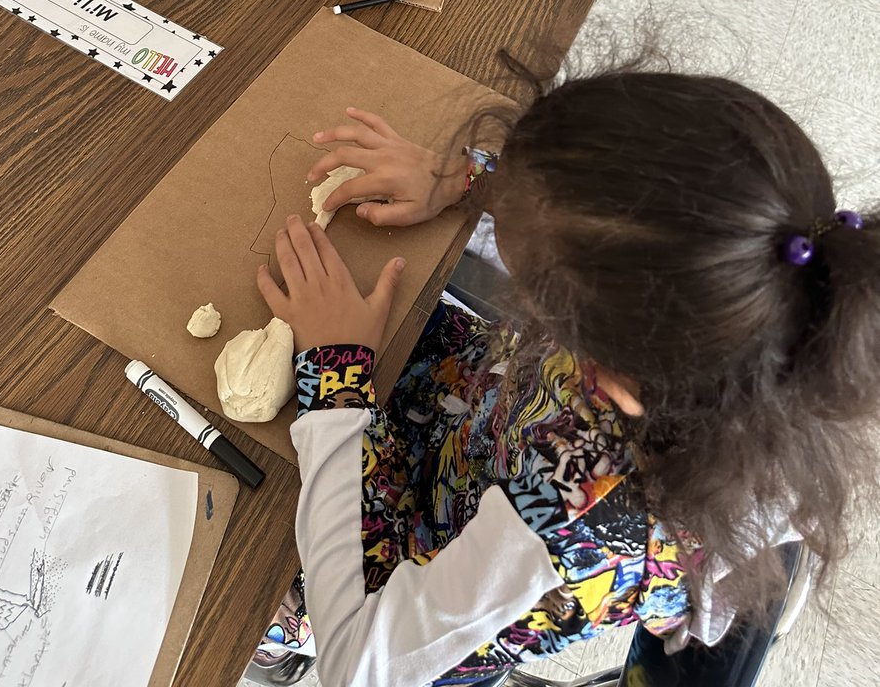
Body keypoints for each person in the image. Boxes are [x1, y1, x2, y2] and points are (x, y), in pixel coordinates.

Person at [250, 67, 880, 686]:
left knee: (249, 579)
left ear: (602, 362)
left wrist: (336, 377)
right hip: (481, 415)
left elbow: (356, 668)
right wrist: (467, 181)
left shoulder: (574, 523)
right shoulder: (732, 311)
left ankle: (277, 651)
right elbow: (612, 231)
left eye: (530, 273)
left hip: (427, 567)